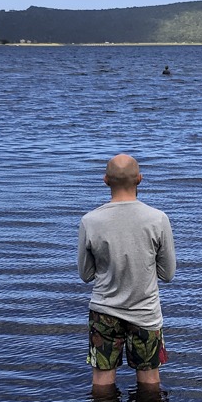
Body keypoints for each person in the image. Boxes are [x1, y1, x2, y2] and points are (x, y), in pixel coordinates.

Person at [78, 154, 176, 389]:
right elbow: (168, 274)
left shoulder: (90, 221)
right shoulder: (158, 219)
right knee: (150, 379)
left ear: (105, 180)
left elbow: (85, 274)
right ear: (139, 179)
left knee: (102, 380)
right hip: (145, 312)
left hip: (104, 311)